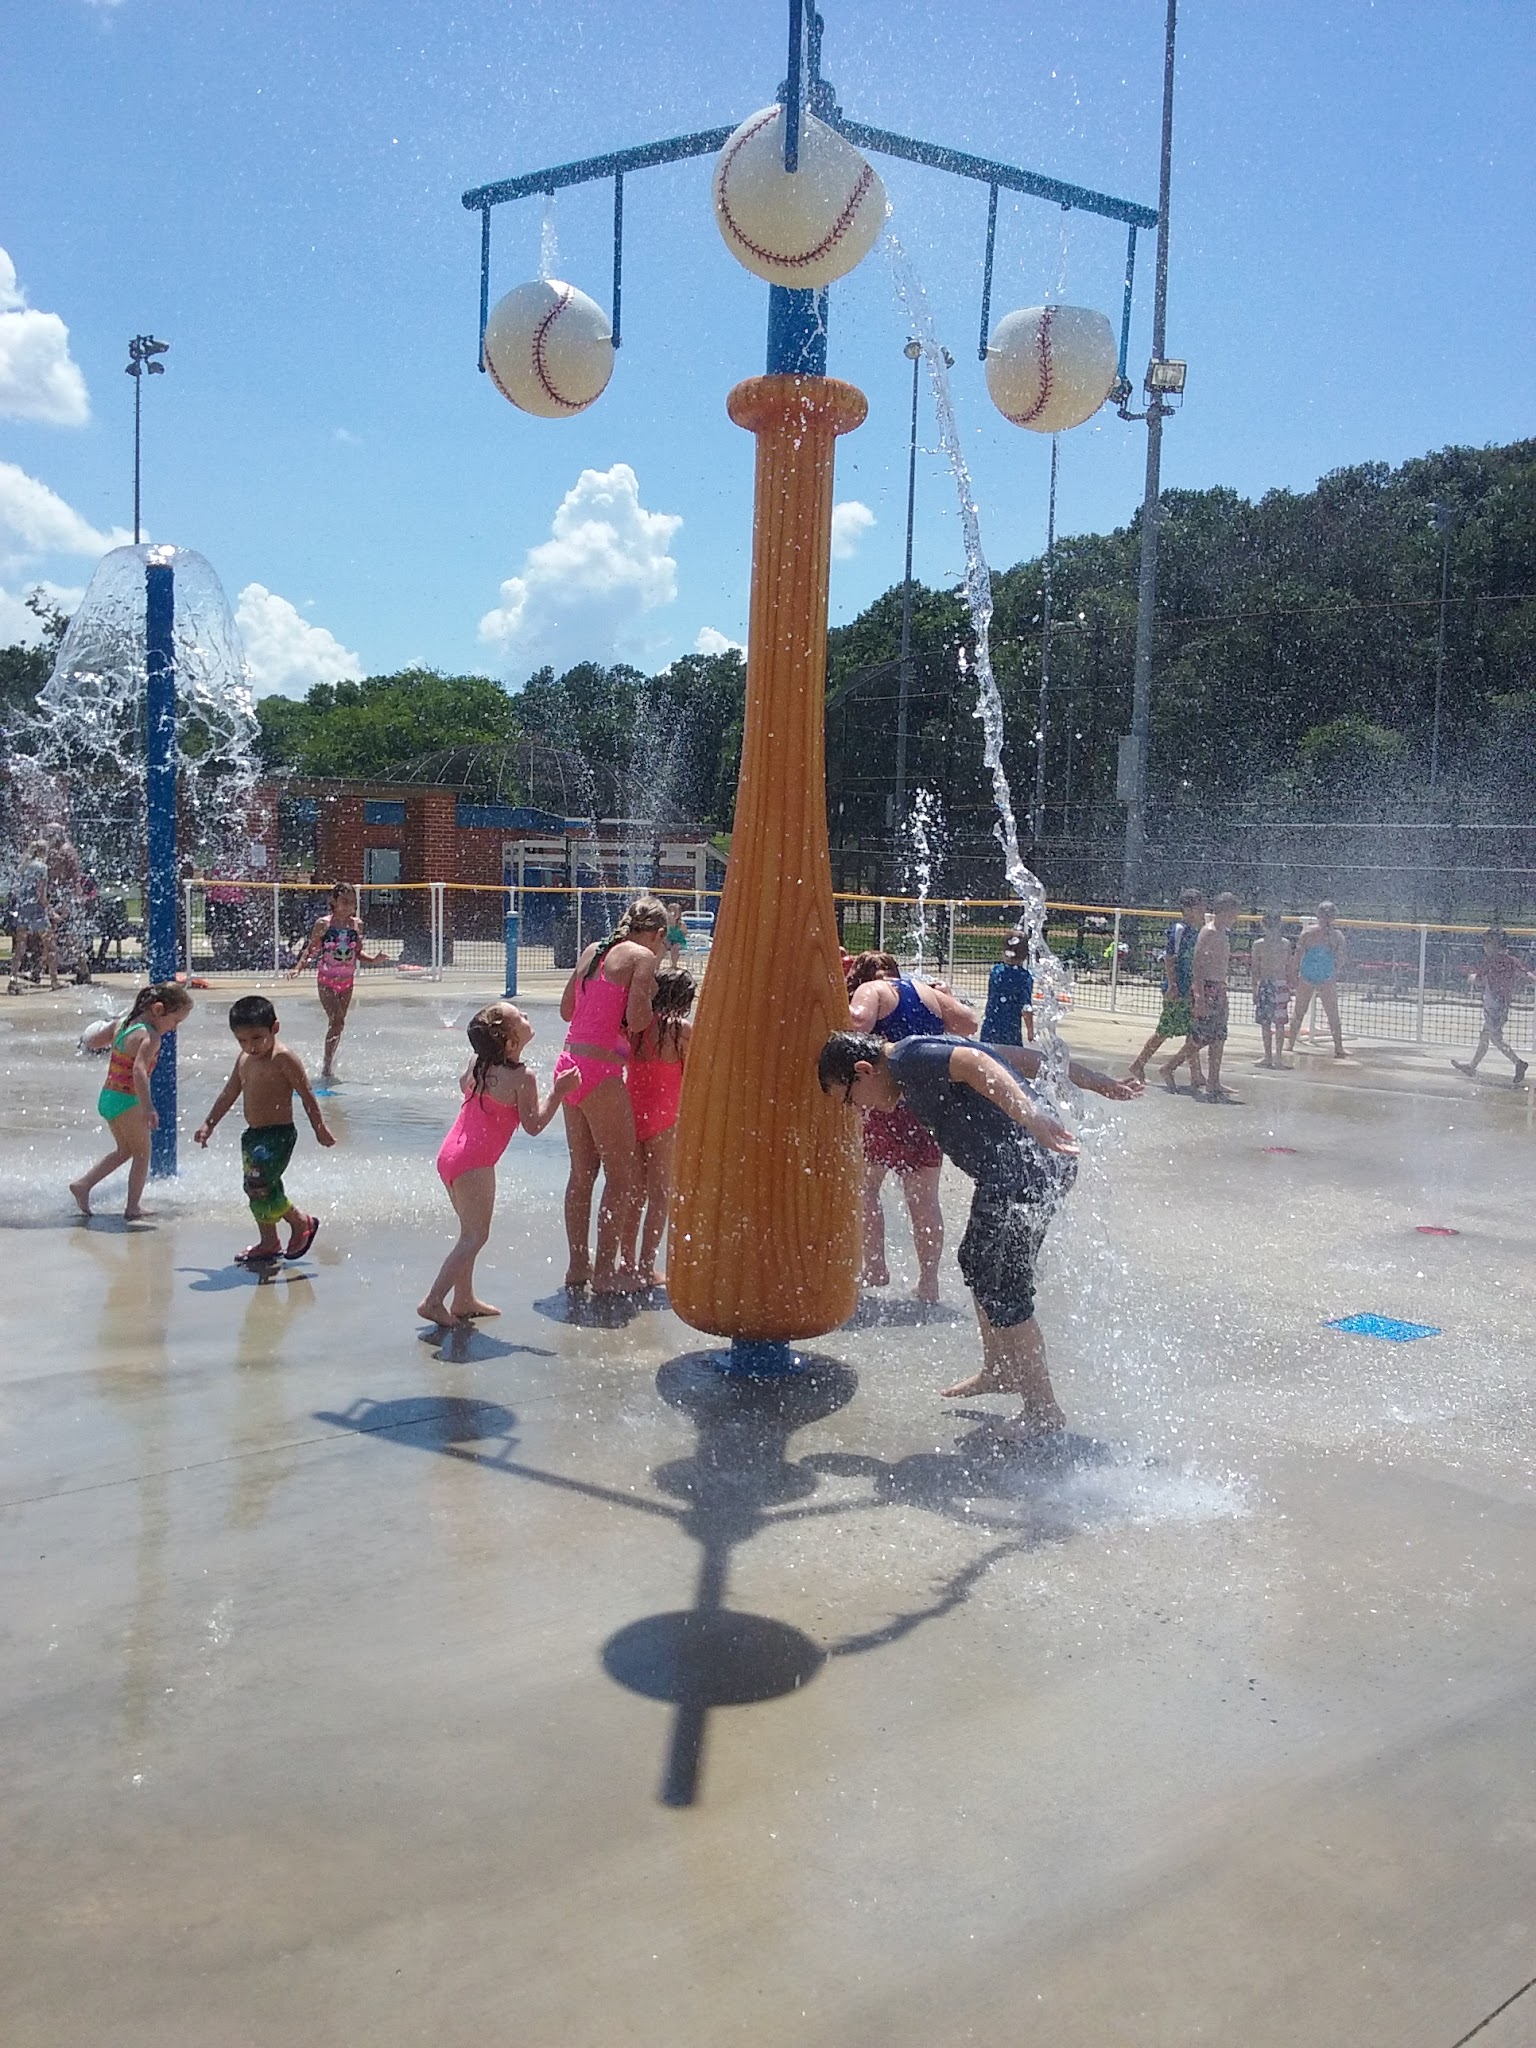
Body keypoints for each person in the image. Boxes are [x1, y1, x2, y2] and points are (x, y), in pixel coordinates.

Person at [819, 1030, 1141, 1433]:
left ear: (863, 1071)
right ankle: (999, 1369)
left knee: (1005, 1287)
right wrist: (1096, 1080)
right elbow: (1020, 1059)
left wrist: (1030, 1114)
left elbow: (979, 1065)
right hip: (1017, 1173)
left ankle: (1043, 1411)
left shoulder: (909, 1059)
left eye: (850, 1099)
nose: (858, 1110)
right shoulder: (920, 1051)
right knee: (976, 1262)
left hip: (1024, 1172)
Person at [418, 1002, 577, 1327]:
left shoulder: (478, 1062)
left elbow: (464, 1084)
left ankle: (463, 1299)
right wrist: (559, 1092)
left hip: (451, 1153)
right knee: (475, 1236)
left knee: (467, 1233)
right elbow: (533, 1126)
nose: (528, 1017)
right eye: (521, 1018)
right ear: (510, 1042)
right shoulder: (522, 1077)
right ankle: (433, 1301)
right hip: (475, 1162)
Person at [847, 950, 979, 1305]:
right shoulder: (924, 991)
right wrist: (945, 995)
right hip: (926, 1109)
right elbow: (968, 1024)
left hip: (883, 1105)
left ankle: (874, 1267)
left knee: (866, 1188)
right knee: (924, 1201)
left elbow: (857, 1022)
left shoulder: (873, 990)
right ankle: (929, 1283)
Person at [556, 895, 666, 1294]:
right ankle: (605, 1273)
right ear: (657, 933)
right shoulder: (642, 957)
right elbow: (637, 1020)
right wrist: (652, 999)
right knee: (625, 1177)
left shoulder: (592, 950)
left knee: (582, 1175)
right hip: (601, 1070)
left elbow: (567, 1011)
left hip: (568, 1065)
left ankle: (577, 1266)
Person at [194, 994, 335, 1265]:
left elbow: (307, 1094)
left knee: (260, 1185)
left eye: (257, 1038)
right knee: (254, 1187)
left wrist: (320, 1128)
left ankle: (300, 1221)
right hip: (253, 1135)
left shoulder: (283, 1058)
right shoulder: (243, 1059)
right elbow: (229, 1093)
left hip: (278, 1134)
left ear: (275, 1028)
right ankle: (269, 1242)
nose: (250, 1046)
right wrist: (209, 1123)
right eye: (242, 1040)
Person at [69, 982, 193, 1219]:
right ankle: (133, 1207)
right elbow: (139, 1071)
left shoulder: (123, 1023)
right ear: (158, 1010)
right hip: (128, 1100)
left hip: (108, 1096)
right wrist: (148, 1108)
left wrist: (88, 1038)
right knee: (142, 1154)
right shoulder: (151, 1037)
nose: (174, 1028)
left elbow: (95, 1042)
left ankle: (83, 1185)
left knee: (125, 1150)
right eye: (175, 1021)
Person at [622, 966, 696, 1288]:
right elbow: (695, 1076)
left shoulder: (636, 1029)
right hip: (665, 1119)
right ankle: (646, 1266)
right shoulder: (681, 1031)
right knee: (660, 1195)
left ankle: (625, 1262)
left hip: (631, 1114)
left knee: (633, 1194)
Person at [290, 883, 388, 1081]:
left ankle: (330, 1059)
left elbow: (357, 952)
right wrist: (298, 968)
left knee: (339, 1024)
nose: (348, 906)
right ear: (333, 901)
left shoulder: (356, 925)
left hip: (347, 981)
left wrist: (374, 960)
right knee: (336, 1020)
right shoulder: (324, 924)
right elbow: (311, 949)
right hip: (326, 980)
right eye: (344, 901)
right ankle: (327, 1066)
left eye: (352, 902)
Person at [1127, 887, 1206, 1093]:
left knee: (1192, 1029)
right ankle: (1138, 1064)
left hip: (1190, 987)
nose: (1202, 910)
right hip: (1177, 987)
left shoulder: (1198, 930)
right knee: (1165, 1030)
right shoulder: (1180, 929)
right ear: (1187, 909)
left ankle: (1196, 1074)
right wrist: (1172, 985)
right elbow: (1170, 958)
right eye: (1198, 907)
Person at [1453, 930, 1532, 1086]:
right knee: (1485, 1037)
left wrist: (1471, 978)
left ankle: (1518, 1062)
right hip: (1500, 1004)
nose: (1485, 946)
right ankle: (1472, 1067)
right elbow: (1526, 975)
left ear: (1495, 944)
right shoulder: (1511, 960)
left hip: (1495, 1005)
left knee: (1494, 1037)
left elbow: (1478, 980)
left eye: (1487, 942)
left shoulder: (1491, 961)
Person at [1190, 892, 1242, 1102]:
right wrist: (1200, 996)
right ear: (1225, 912)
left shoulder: (1222, 933)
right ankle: (1171, 1066)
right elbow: (1198, 965)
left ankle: (1213, 1080)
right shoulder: (1209, 933)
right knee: (1200, 1038)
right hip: (1208, 988)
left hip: (1219, 987)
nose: (1236, 918)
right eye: (1234, 913)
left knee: (1219, 1036)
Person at [1286, 901, 1347, 1059]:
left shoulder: (1335, 936)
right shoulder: (1309, 933)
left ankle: (1338, 1047)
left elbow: (1340, 957)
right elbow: (1298, 955)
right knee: (1300, 1011)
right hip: (1310, 975)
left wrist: (1334, 973)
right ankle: (1290, 1044)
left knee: (1331, 1013)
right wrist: (1293, 973)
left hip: (1323, 976)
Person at [8, 840, 58, 992]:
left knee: (20, 947)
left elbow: (17, 890)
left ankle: (12, 980)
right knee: (50, 945)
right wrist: (51, 912)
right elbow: (40, 894)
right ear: (44, 851)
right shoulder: (42, 867)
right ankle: (54, 981)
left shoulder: (23, 867)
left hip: (23, 909)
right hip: (36, 910)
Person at [1248, 910, 1293, 1069]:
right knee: (1277, 1023)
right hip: (1279, 984)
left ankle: (1269, 1056)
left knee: (1267, 1023)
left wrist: (1254, 988)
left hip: (1267, 985)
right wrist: (1290, 986)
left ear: (1262, 925)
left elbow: (1255, 969)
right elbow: (1289, 968)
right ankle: (1276, 1057)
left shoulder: (1259, 944)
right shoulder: (1285, 944)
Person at [981, 928, 1035, 1045]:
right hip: (1011, 1029)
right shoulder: (1025, 977)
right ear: (1026, 955)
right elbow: (1026, 1007)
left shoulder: (995, 971)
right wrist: (1030, 1030)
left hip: (990, 1026)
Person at [664, 901, 689, 970]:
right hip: (669, 941)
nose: (673, 914)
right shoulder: (666, 924)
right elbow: (665, 935)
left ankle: (674, 965)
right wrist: (666, 941)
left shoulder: (681, 924)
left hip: (680, 942)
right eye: (671, 911)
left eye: (675, 912)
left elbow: (685, 934)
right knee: (661, 947)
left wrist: (682, 930)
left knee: (675, 948)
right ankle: (656, 966)